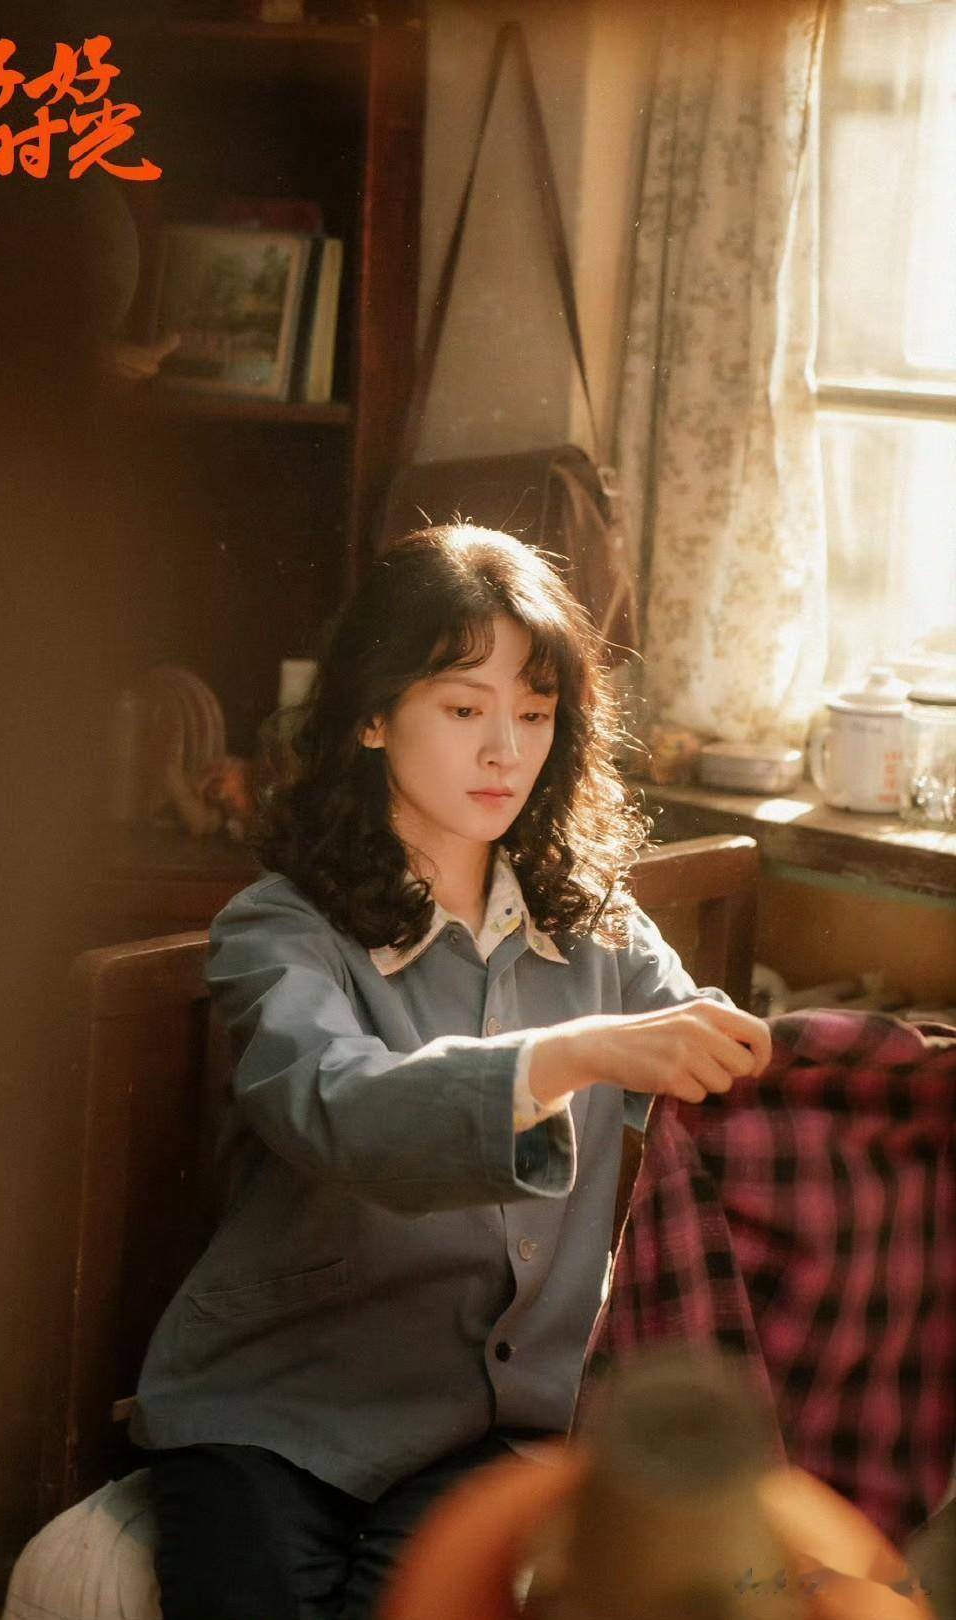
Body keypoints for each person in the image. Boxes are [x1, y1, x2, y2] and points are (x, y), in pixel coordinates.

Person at [132, 525, 772, 1620]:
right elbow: (332, 1104)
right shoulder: (281, 930)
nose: (505, 753)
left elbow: (717, 1071)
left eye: (536, 713)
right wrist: (574, 1054)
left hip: (499, 1427)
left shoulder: (600, 926)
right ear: (373, 715)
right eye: (466, 709)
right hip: (277, 1409)